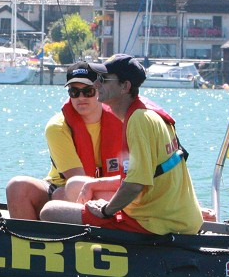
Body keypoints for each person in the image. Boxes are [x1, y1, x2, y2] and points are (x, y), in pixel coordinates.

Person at [41, 54, 203, 234]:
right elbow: (143, 175)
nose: (96, 84)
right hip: (175, 217)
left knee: (51, 211)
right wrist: (92, 185)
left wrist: (105, 210)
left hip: (155, 223)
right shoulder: (148, 114)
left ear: (125, 86)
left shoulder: (138, 121)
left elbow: (135, 184)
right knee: (78, 185)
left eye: (103, 79)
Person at [5, 62, 123, 219]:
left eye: (88, 91)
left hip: (113, 187)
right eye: (74, 92)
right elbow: (77, 183)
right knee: (18, 186)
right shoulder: (57, 127)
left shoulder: (123, 121)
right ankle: (27, 241)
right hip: (66, 188)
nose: (81, 97)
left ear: (100, 90)